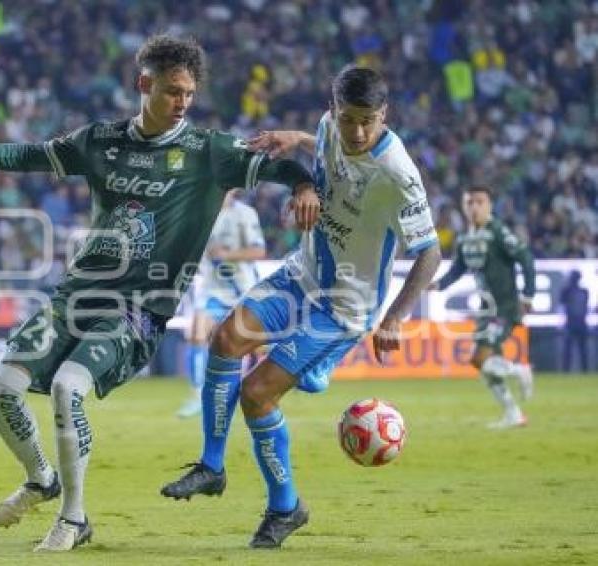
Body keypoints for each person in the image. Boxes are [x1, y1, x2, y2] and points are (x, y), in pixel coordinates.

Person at [0, 35, 319, 552]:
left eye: (190, 93)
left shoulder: (208, 151)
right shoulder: (100, 141)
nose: (183, 102)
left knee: (67, 388)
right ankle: (43, 479)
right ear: (143, 84)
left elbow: (279, 167)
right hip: (77, 297)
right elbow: (31, 155)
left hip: (139, 309)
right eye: (174, 91)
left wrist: (305, 186)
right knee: (3, 388)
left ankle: (74, 518)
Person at [160, 65, 441, 548]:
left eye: (368, 121)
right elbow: (325, 144)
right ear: (334, 109)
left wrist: (395, 317)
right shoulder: (330, 127)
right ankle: (211, 466)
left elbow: (430, 252)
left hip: (343, 306)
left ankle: (285, 507)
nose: (356, 131)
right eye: (348, 117)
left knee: (256, 394)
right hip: (301, 275)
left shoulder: (398, 173)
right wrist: (296, 141)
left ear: (384, 115)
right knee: (224, 339)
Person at [429, 186, 535, 428]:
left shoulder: (498, 232)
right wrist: (438, 284)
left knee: (482, 359)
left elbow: (526, 258)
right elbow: (458, 269)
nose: (475, 207)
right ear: (465, 207)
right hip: (486, 310)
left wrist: (528, 296)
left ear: (489, 206)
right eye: (471, 202)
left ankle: (520, 370)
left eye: (480, 202)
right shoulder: (466, 239)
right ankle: (513, 413)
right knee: (483, 364)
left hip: (505, 307)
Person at [178, 189, 266, 418]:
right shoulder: (201, 212)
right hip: (213, 289)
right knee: (196, 334)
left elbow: (259, 250)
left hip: (241, 288)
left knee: (254, 345)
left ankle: (259, 388)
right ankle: (197, 395)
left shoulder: (245, 214)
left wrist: (228, 255)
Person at [560, 270, 589, 372]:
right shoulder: (567, 291)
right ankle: (567, 370)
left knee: (581, 349)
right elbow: (562, 306)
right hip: (572, 323)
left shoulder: (583, 291)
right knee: (570, 349)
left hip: (578, 323)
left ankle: (583, 370)